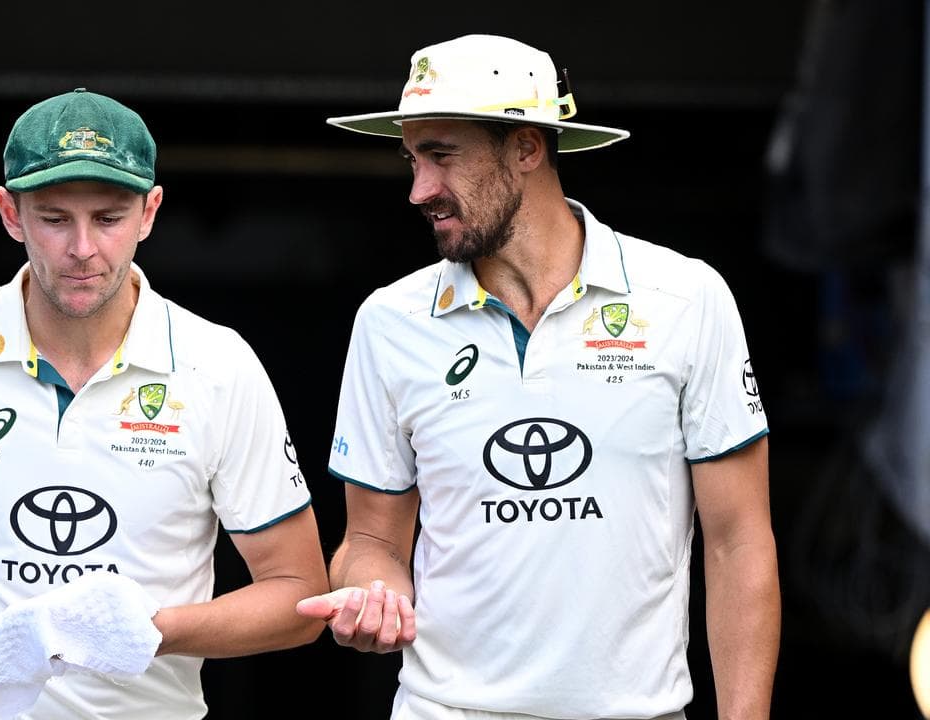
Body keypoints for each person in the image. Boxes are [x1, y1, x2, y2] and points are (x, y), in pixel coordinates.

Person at [0, 88, 329, 719]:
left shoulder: (220, 367)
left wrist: (153, 630)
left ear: (150, 211)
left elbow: (299, 594)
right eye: (54, 219)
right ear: (9, 212)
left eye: (108, 218)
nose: (82, 249)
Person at [296, 34, 780, 720]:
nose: (418, 190)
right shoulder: (388, 320)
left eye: (441, 156)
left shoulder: (686, 298)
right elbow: (371, 542)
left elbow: (739, 542)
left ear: (527, 148)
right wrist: (370, 593)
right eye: (412, 158)